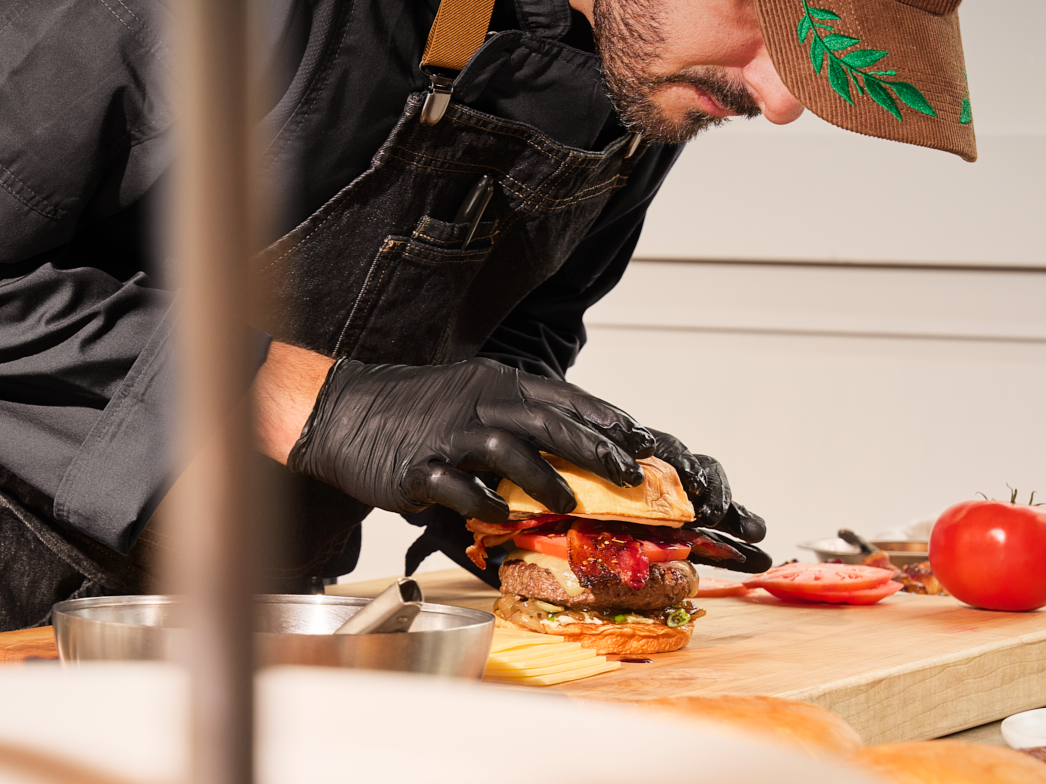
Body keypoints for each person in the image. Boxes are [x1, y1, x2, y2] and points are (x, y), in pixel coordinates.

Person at [0, 0, 975, 629]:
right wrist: (324, 405)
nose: (776, 97)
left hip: (245, 628)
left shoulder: (641, 84)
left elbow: (517, 332)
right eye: (762, 14)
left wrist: (544, 490)